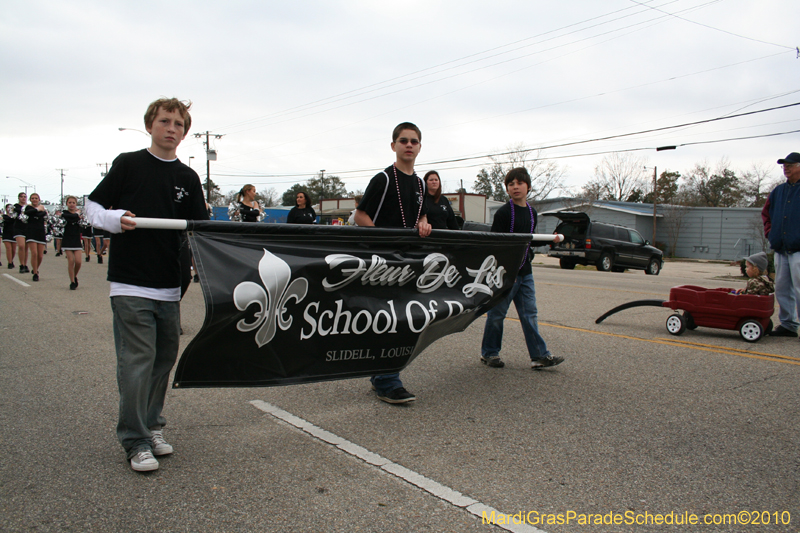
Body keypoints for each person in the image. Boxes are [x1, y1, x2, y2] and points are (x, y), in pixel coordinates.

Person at [86, 97, 209, 472]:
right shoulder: (128, 164)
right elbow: (91, 207)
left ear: (185, 133)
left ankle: (152, 426)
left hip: (169, 287)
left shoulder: (188, 179)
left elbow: (202, 231)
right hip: (130, 284)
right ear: (150, 125)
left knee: (161, 362)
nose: (171, 128)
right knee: (137, 361)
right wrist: (114, 217)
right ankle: (135, 439)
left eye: (178, 124)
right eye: (165, 121)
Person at [354, 122, 432, 404]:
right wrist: (382, 245)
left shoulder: (421, 184)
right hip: (385, 263)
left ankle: (381, 376)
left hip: (408, 261)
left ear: (420, 147)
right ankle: (388, 381)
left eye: (413, 141)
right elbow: (360, 216)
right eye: (403, 141)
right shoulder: (384, 180)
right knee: (391, 321)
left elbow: (421, 216)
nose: (408, 145)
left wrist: (424, 223)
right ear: (393, 146)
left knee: (402, 320)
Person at [480, 167, 564, 370]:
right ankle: (490, 353)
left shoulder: (532, 212)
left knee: (529, 315)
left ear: (528, 187)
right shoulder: (503, 213)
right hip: (505, 274)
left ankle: (539, 356)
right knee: (497, 315)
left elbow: (530, 240)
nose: (515, 187)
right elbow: (495, 244)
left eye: (519, 183)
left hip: (526, 273)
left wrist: (549, 240)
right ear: (507, 189)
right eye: (511, 184)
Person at [762, 152, 800, 338]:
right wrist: (771, 234)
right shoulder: (778, 191)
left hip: (798, 249)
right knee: (783, 288)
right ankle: (788, 325)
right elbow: (766, 214)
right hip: (781, 249)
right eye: (784, 165)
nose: (786, 167)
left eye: (790, 164)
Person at [61, 196, 84, 290]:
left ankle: (74, 275)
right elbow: (70, 218)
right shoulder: (64, 213)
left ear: (76, 204)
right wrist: (77, 215)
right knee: (71, 261)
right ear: (67, 204)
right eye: (69, 202)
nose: (71, 204)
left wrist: (78, 216)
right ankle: (72, 282)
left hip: (76, 240)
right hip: (67, 239)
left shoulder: (79, 214)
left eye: (73, 203)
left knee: (78, 262)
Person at [25, 193, 48, 282]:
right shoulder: (28, 207)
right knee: (34, 253)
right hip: (31, 232)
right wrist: (37, 209)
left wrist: (37, 212)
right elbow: (28, 213)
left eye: (36, 198)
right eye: (32, 198)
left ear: (39, 199)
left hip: (40, 232)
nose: (34, 199)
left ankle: (35, 268)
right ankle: (35, 273)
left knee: (40, 255)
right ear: (30, 200)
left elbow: (43, 215)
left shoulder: (43, 208)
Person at [13, 192, 29, 273]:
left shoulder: (29, 207)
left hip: (27, 228)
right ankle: (21, 264)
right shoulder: (16, 206)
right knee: (21, 246)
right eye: (21, 197)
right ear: (19, 198)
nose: (23, 198)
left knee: (26, 248)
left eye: (25, 197)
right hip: (18, 228)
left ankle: (25, 264)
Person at [2, 204, 15, 269]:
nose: (9, 209)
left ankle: (11, 260)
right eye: (8, 208)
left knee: (13, 250)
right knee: (8, 248)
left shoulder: (15, 217)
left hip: (14, 233)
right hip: (6, 233)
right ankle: (9, 262)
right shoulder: (4, 216)